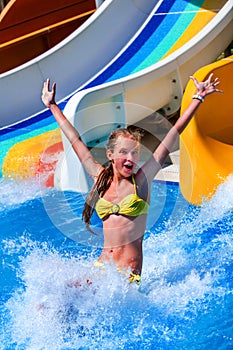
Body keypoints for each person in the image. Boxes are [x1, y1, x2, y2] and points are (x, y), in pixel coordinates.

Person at [41, 73, 222, 285]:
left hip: (126, 278)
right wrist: (52, 106)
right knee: (53, 301)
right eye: (124, 152)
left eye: (134, 153)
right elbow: (75, 140)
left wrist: (198, 98)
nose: (130, 158)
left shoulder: (142, 181)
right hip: (102, 270)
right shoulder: (101, 178)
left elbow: (173, 132)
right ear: (110, 155)